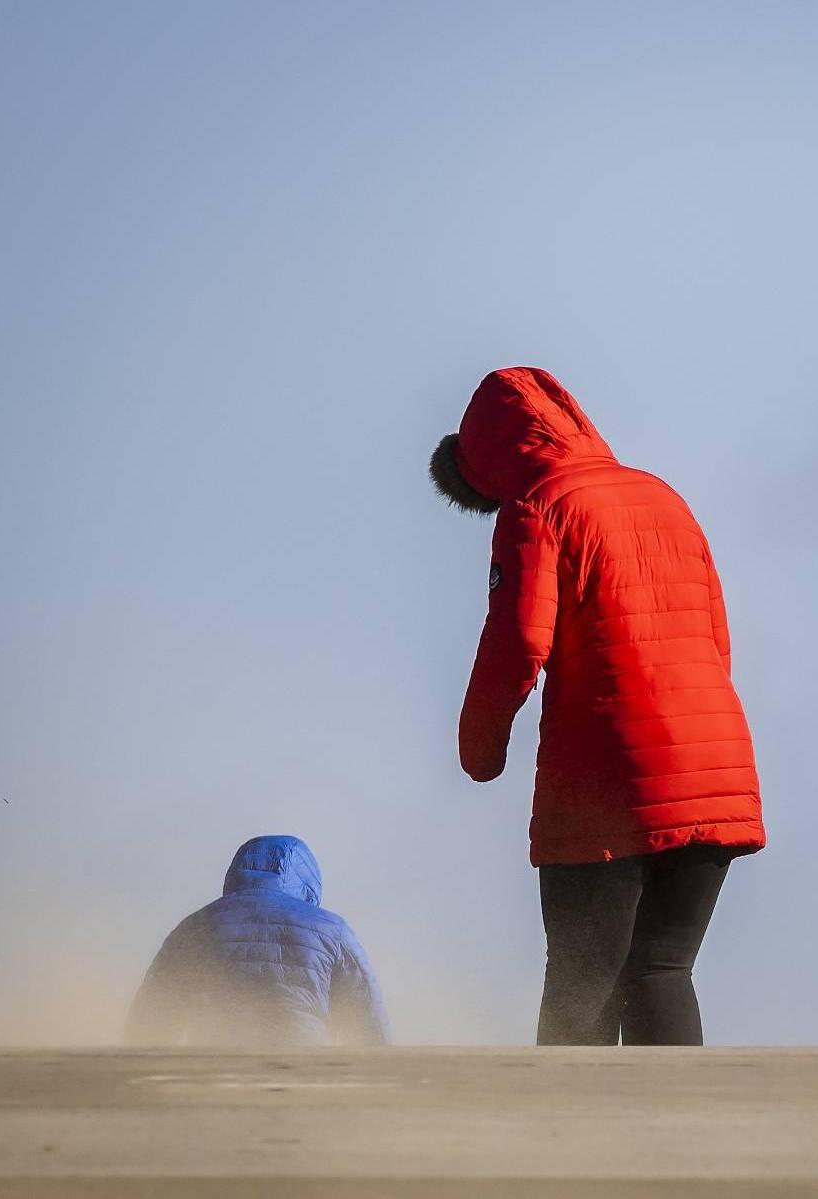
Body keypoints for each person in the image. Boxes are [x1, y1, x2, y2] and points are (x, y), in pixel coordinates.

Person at [430, 366, 763, 1046]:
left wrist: (479, 747)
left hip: (608, 781)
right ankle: (675, 1146)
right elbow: (717, 639)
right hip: (713, 772)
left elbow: (518, 642)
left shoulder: (538, 508)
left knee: (581, 981)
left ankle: (561, 1147)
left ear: (489, 460)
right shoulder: (663, 497)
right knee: (662, 970)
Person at [125, 835, 389, 1046]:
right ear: (307, 880)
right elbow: (366, 1012)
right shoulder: (332, 929)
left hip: (213, 1071)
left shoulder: (195, 926)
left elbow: (152, 1015)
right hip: (307, 1066)